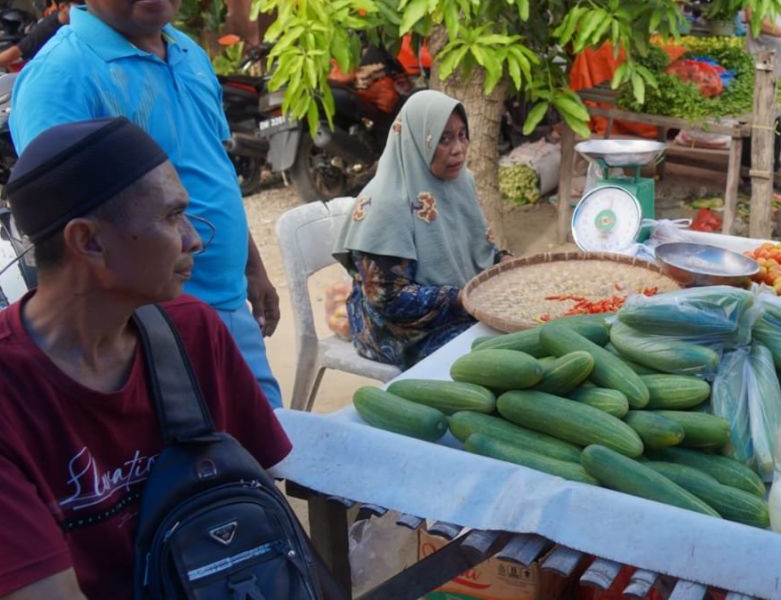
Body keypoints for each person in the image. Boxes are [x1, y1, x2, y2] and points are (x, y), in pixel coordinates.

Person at [9, 0, 283, 407]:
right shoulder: (62, 77)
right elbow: (69, 240)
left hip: (226, 308)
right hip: (149, 329)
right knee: (199, 478)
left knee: (262, 459)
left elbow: (215, 170)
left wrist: (252, 266)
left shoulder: (186, 52)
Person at [0, 117, 290, 599]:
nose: (194, 239)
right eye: (172, 217)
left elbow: (257, 507)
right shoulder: (11, 397)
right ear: (89, 242)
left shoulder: (194, 331)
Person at [333, 90, 511, 368]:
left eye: (462, 135)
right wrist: (463, 297)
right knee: (493, 358)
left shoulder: (461, 183)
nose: (458, 149)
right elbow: (388, 300)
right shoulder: (385, 204)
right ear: (415, 140)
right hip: (397, 329)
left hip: (463, 306)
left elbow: (477, 249)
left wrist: (503, 262)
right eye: (444, 138)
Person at [0, 0, 81, 72]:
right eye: (80, 6)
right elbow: (17, 51)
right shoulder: (46, 28)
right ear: (63, 7)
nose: (86, 9)